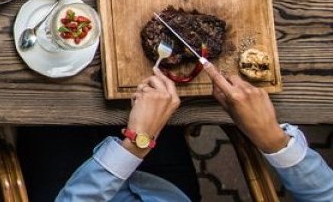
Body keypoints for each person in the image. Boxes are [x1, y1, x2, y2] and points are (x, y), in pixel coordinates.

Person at [55, 64, 333, 201]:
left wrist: (137, 144)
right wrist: (272, 139)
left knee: (57, 105)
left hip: (66, 187)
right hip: (163, 189)